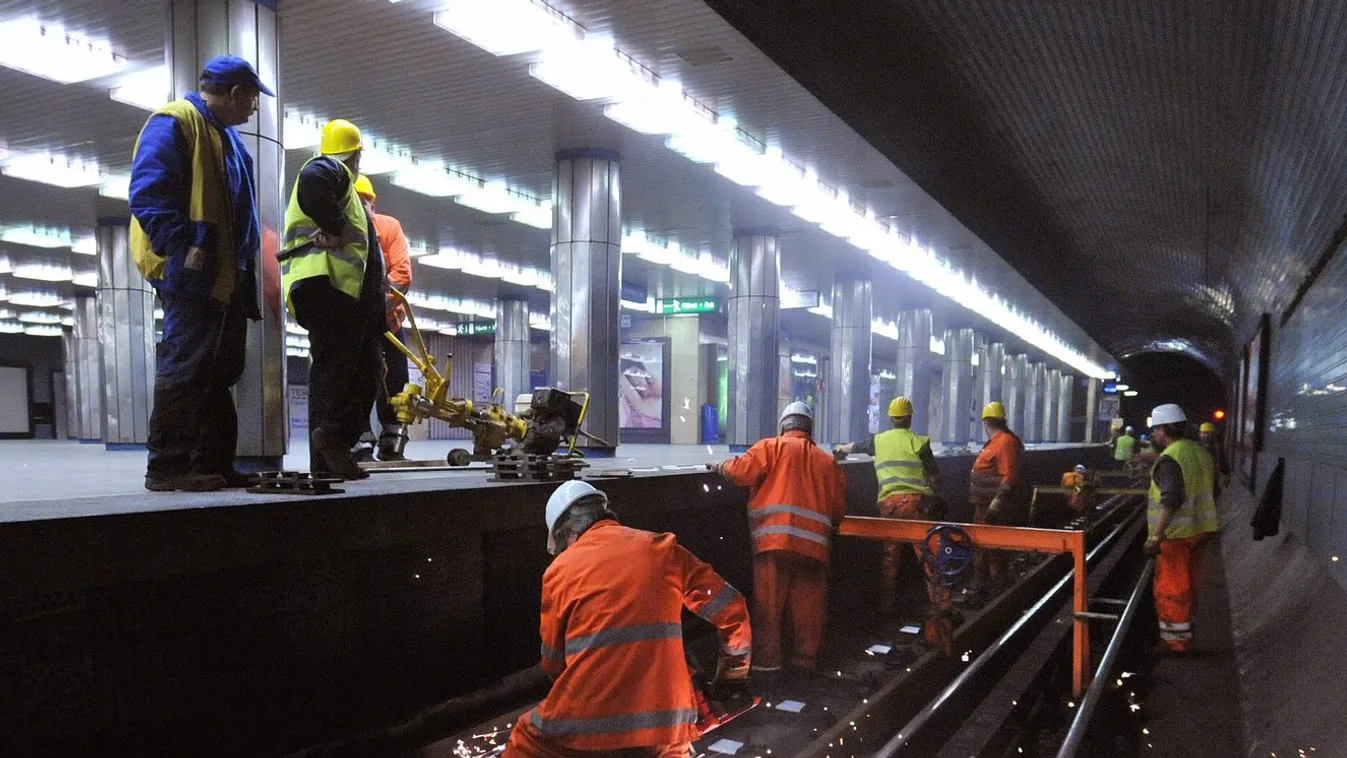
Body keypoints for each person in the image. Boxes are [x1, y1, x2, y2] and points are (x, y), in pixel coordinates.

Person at [504, 481, 751, 757]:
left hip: (587, 723)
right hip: (668, 724)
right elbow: (733, 609)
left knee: (524, 741)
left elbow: (553, 663)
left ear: (570, 531)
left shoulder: (559, 570)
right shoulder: (663, 548)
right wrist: (732, 675)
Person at [129, 55, 273, 492]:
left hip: (227, 274)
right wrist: (184, 248)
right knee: (186, 363)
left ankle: (213, 461)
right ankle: (168, 466)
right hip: (193, 271)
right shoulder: (175, 122)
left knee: (219, 368)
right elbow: (148, 193)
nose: (254, 108)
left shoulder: (227, 139)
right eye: (252, 99)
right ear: (235, 93)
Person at [279, 119, 386, 480]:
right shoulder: (328, 168)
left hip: (350, 298)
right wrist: (336, 227)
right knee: (333, 373)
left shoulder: (350, 193)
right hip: (326, 287)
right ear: (354, 156)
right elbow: (313, 183)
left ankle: (334, 444)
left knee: (366, 372)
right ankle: (325, 460)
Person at [710, 402, 847, 674]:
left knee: (768, 607)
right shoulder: (827, 461)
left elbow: (740, 472)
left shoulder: (770, 447)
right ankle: (804, 661)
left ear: (783, 426)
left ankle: (768, 663)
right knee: (808, 607)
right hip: (813, 548)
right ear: (810, 428)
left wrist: (721, 466)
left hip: (773, 544)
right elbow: (838, 511)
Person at [834, 396, 959, 654]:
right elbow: (935, 477)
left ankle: (885, 611)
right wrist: (940, 500)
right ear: (910, 418)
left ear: (891, 418)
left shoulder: (879, 441)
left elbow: (856, 446)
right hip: (916, 505)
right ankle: (942, 609)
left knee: (889, 561)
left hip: (889, 507)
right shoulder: (918, 441)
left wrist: (840, 448)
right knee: (930, 557)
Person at [1143, 404, 1220, 655]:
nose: (1154, 435)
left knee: (1171, 587)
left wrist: (1156, 536)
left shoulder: (1170, 458)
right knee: (1191, 582)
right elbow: (1214, 490)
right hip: (1201, 530)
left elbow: (1171, 499)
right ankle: (1186, 631)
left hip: (1176, 535)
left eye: (1155, 429)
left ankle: (1176, 643)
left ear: (1164, 429)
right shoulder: (1201, 452)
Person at [350, 174, 414, 462]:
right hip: (357, 325)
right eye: (355, 201)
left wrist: (378, 309)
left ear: (372, 203)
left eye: (365, 201)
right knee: (359, 378)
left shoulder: (389, 228)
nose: (362, 206)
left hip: (388, 323)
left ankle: (392, 443)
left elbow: (402, 274)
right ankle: (360, 441)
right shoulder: (344, 233)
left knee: (396, 378)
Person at [968, 402, 1025, 594]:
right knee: (982, 548)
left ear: (985, 422)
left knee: (994, 550)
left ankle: (997, 589)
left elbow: (1009, 476)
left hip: (994, 508)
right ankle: (984, 586)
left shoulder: (1005, 442)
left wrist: (996, 503)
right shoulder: (995, 442)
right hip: (984, 505)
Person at [1199, 421, 1230, 497]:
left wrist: (1227, 475)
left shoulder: (1217, 448)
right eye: (1204, 433)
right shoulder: (1196, 447)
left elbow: (1222, 461)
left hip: (1213, 481)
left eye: (1208, 433)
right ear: (1200, 434)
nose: (1206, 435)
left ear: (1212, 434)